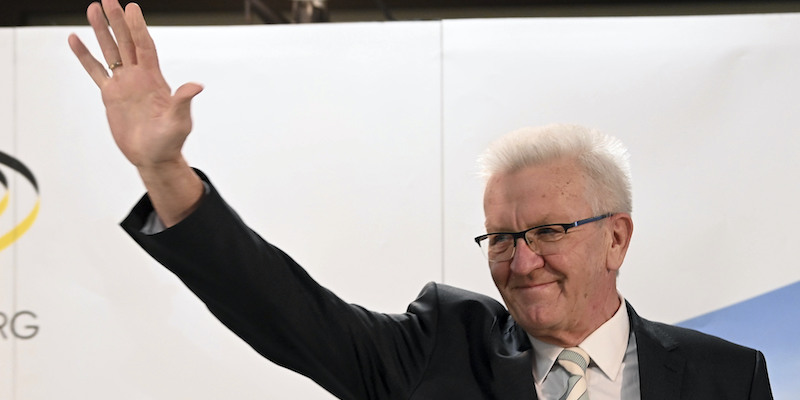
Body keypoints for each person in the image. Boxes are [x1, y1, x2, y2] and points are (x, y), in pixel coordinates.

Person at [69, 1, 774, 399]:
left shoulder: (726, 376)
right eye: (502, 237)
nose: (521, 261)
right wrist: (165, 169)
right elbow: (283, 309)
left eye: (548, 231)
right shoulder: (437, 350)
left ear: (616, 237)